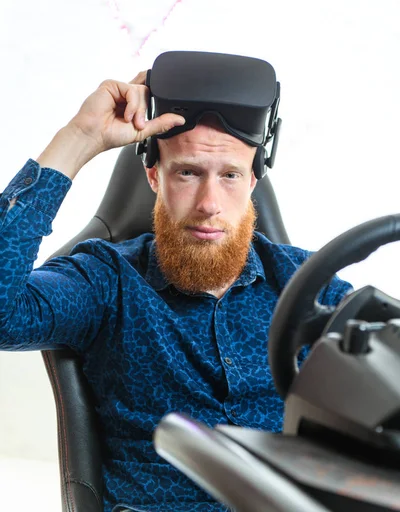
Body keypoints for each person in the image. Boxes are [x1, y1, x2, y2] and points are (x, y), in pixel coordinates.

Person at [0, 70, 352, 512]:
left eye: (230, 175)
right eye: (187, 173)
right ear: (154, 175)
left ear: (253, 182)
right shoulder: (105, 281)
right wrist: (79, 137)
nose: (209, 203)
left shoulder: (309, 285)